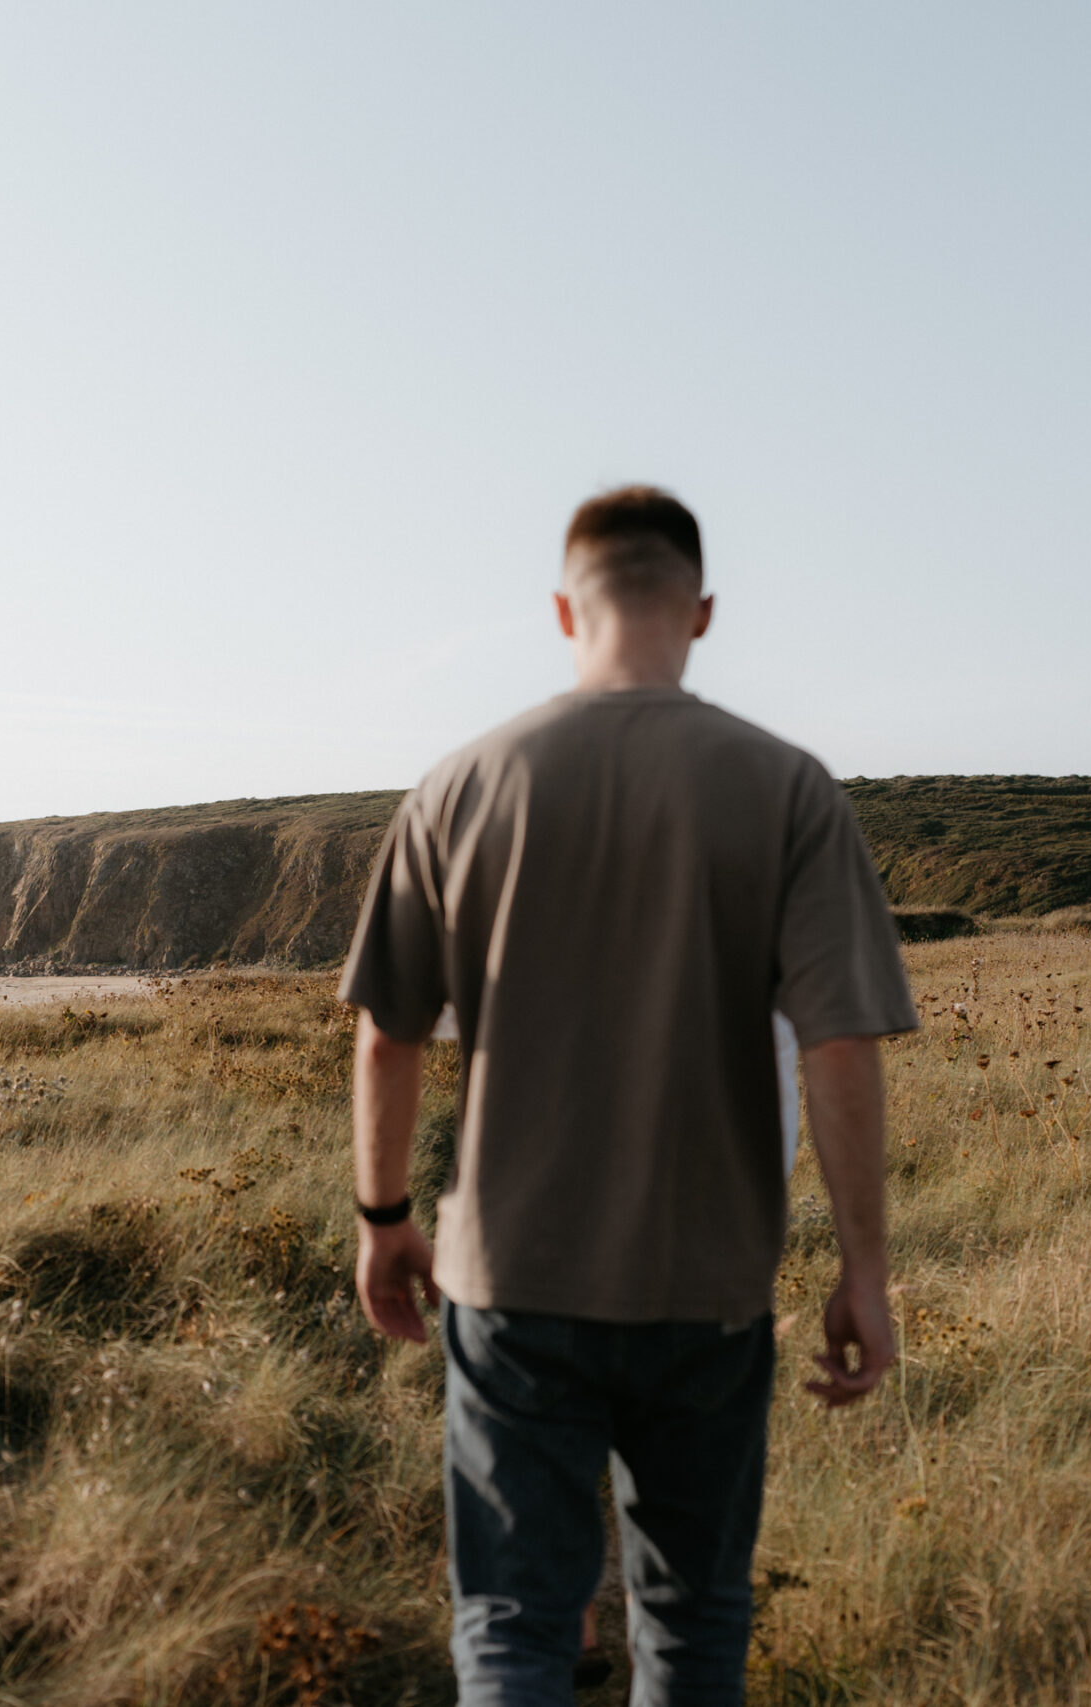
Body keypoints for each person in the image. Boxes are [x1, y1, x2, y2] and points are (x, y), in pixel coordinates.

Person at [339, 486, 916, 1706]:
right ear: (700, 613)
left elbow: (390, 1036)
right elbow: (842, 1047)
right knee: (695, 1627)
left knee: (510, 1625)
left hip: (510, 1280)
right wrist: (863, 1268)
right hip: (704, 1285)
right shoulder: (788, 789)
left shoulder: (461, 786)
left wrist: (381, 1218)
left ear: (563, 608)